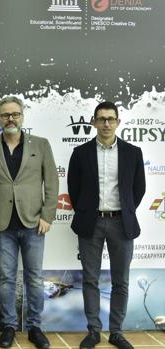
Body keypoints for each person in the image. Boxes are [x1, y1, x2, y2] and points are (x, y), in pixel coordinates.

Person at [67, 101, 145, 349]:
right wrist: (89, 211)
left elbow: (138, 189)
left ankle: (117, 332)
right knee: (90, 279)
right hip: (91, 222)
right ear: (94, 122)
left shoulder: (133, 152)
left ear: (118, 122)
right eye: (101, 119)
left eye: (111, 119)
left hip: (122, 223)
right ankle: (93, 331)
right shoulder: (80, 153)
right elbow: (74, 189)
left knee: (120, 280)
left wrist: (126, 211)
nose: (106, 124)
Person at [0, 96, 59, 349]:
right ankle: (9, 326)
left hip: (33, 223)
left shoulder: (41, 144)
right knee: (6, 278)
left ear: (22, 116)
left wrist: (48, 215)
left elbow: (52, 182)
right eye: (5, 115)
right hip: (3, 225)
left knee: (35, 278)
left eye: (15, 114)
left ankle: (35, 326)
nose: (10, 119)